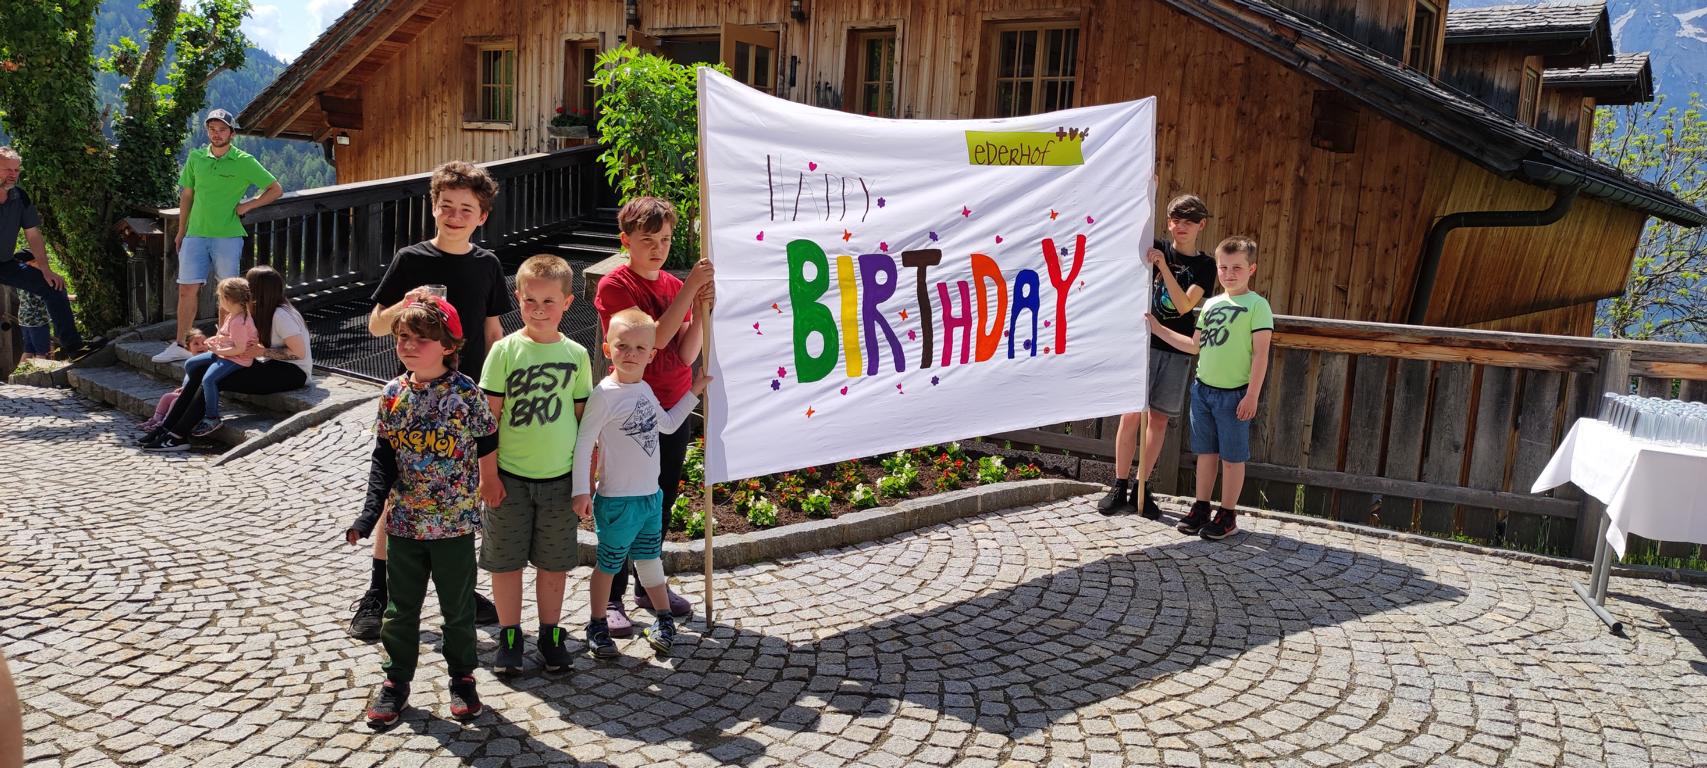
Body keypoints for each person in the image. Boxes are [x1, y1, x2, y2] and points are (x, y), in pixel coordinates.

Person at [350, 160, 510, 639]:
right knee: (398, 491)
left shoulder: (487, 264)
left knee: (461, 496)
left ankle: (458, 586)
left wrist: (498, 391)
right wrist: (404, 303)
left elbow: (493, 331)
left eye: (467, 208)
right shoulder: (411, 259)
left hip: (468, 397)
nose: (455, 215)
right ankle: (378, 592)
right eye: (447, 206)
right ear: (433, 207)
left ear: (482, 216)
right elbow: (377, 324)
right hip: (416, 397)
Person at [346, 295, 496, 729]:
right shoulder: (392, 394)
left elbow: (487, 439)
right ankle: (395, 682)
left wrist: (490, 481)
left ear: (449, 345)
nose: (410, 345)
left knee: (458, 610)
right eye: (403, 337)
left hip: (454, 525)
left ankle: (463, 678)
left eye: (422, 339)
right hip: (405, 526)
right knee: (399, 609)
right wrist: (368, 515)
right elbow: (383, 459)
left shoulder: (466, 394)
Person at [592, 195, 713, 637]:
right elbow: (655, 340)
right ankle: (611, 598)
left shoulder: (669, 282)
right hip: (632, 406)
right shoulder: (615, 286)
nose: (659, 249)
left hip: (673, 402)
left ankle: (649, 585)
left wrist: (702, 310)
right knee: (624, 499)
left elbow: (684, 352)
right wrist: (689, 289)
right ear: (626, 241)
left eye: (665, 239)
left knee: (659, 497)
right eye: (648, 240)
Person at [476, 255, 593, 675]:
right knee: (505, 563)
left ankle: (550, 633)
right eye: (530, 300)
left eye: (549, 300)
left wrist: (585, 482)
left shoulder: (577, 355)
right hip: (509, 478)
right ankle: (510, 635)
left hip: (559, 480)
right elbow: (487, 418)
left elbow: (585, 423)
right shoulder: (504, 352)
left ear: (567, 302)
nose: (539, 309)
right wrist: (486, 476)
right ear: (518, 298)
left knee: (554, 563)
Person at [573, 308, 709, 660]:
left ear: (652, 354)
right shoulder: (604, 394)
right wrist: (582, 490)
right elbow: (585, 441)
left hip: (650, 497)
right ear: (607, 350)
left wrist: (693, 392)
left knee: (650, 561)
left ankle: (663, 620)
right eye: (623, 346)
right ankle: (597, 624)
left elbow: (666, 425)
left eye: (639, 348)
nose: (630, 354)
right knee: (610, 563)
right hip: (617, 500)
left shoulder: (646, 388)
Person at [1147, 236, 1273, 540]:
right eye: (1224, 267)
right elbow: (1193, 346)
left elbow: (1261, 354)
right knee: (1205, 453)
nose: (1230, 273)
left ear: (1251, 269)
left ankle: (1228, 513)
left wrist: (1252, 394)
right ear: (1217, 268)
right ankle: (1201, 507)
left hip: (1234, 395)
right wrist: (1157, 328)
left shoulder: (1258, 306)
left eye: (1237, 268)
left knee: (1232, 458)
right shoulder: (1212, 305)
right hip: (1202, 390)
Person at [1101, 194, 1216, 518]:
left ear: (1200, 225)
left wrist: (1163, 267)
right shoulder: (1155, 246)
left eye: (1189, 221)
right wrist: (1145, 191)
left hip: (1175, 349)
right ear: (1168, 221)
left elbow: (1183, 305)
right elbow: (1127, 227)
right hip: (1142, 346)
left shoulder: (1204, 266)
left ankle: (1142, 485)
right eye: (1176, 220)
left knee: (1160, 419)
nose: (1181, 226)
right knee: (1131, 415)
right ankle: (1120, 483)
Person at [153, 109, 283, 363]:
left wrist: (247, 206)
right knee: (186, 290)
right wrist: (181, 231)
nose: (217, 133)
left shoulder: (244, 160)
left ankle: (223, 345)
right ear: (207, 131)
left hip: (228, 235)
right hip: (195, 234)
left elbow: (275, 189)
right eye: (212, 129)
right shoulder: (196, 157)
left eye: (222, 129)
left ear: (231, 133)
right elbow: (187, 195)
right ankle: (181, 344)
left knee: (228, 294)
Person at [143, 266, 314, 449]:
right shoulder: (253, 311)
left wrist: (262, 352)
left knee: (215, 377)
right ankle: (167, 428)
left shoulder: (281, 315)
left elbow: (299, 353)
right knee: (200, 369)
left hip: (292, 373)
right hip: (268, 364)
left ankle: (178, 436)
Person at [0, 147, 92, 359]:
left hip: (5, 263)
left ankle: (74, 348)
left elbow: (33, 234)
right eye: (7, 170)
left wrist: (45, 270)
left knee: (54, 286)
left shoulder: (20, 197)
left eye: (16, 170)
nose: (13, 174)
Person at [143, 277, 255, 450]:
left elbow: (240, 349)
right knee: (191, 364)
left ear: (228, 299)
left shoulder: (240, 321)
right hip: (224, 353)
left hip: (236, 359)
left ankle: (212, 416)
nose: (219, 302)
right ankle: (186, 391)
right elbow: (226, 337)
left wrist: (218, 351)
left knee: (209, 380)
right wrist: (214, 340)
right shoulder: (232, 315)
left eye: (220, 298)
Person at [139, 329, 210, 432]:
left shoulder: (207, 362)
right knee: (167, 397)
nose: (201, 346)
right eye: (196, 344)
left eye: (204, 343)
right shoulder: (191, 362)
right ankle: (156, 419)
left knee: (176, 401)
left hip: (199, 397)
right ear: (188, 348)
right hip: (188, 393)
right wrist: (183, 388)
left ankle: (166, 422)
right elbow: (190, 381)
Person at [15, 291, 49, 362]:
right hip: (37, 320)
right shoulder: (35, 281)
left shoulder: (21, 279)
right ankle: (40, 373)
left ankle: (21, 373)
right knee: (41, 353)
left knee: (28, 351)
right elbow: (45, 296)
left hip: (24, 318)